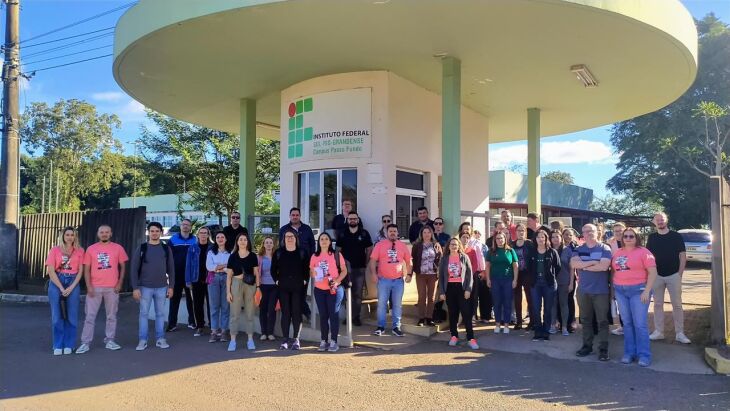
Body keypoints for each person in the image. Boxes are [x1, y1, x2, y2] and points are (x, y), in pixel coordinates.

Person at [76, 225, 129, 354]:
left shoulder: (118, 248)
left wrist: (119, 283)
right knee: (90, 316)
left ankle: (110, 340)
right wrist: (89, 286)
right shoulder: (91, 249)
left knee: (111, 316)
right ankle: (85, 343)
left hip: (112, 288)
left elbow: (123, 267)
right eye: (102, 232)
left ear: (111, 234)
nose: (104, 234)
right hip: (95, 287)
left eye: (107, 232)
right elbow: (86, 270)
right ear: (98, 234)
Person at [612, 227, 658, 367]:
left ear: (636, 237)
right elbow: (614, 271)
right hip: (620, 291)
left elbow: (653, 273)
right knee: (627, 323)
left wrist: (647, 291)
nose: (628, 238)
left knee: (640, 324)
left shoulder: (644, 252)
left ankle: (644, 355)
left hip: (638, 290)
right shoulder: (618, 252)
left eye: (631, 236)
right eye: (625, 236)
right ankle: (629, 353)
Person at [647, 212, 691, 344]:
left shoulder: (676, 236)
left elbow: (682, 256)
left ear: (666, 221)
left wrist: (679, 274)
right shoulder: (651, 238)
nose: (660, 222)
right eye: (657, 220)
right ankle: (659, 332)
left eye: (662, 219)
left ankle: (680, 333)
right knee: (658, 305)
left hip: (674, 275)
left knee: (677, 305)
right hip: (657, 276)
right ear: (654, 222)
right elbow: (648, 257)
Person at [131, 222, 175, 351]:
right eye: (152, 231)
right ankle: (142, 340)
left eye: (157, 231)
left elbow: (171, 269)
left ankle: (160, 339)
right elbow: (134, 269)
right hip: (145, 287)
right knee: (143, 314)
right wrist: (135, 288)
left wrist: (171, 286)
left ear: (161, 232)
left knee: (160, 314)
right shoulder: (142, 248)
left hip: (162, 287)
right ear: (148, 232)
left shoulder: (166, 248)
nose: (154, 233)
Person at [572, 223, 613, 361]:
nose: (589, 233)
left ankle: (603, 349)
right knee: (585, 320)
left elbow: (604, 266)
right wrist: (593, 262)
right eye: (586, 231)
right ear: (582, 234)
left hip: (600, 291)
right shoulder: (579, 248)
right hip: (583, 291)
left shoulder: (605, 248)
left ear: (597, 232)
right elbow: (574, 264)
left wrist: (584, 265)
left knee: (602, 321)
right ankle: (587, 346)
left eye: (591, 231)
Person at [45, 226, 85, 355]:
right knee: (57, 316)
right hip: (57, 281)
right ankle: (57, 344)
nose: (70, 237)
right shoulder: (54, 250)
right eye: (67, 234)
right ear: (63, 236)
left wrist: (71, 287)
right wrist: (62, 288)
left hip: (73, 281)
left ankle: (69, 344)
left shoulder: (79, 250)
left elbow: (80, 272)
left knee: (72, 316)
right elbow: (50, 270)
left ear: (75, 237)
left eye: (72, 235)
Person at [369, 224, 412, 337]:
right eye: (390, 231)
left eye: (395, 231)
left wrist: (409, 274)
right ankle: (380, 327)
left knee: (397, 305)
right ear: (387, 233)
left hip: (398, 281)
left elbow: (408, 261)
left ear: (398, 233)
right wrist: (373, 274)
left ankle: (396, 327)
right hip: (383, 280)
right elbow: (373, 261)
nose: (392, 233)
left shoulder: (402, 246)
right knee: (382, 304)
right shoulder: (379, 245)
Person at [271, 229, 310, 350]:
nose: (289, 238)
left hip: (298, 287)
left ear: (296, 238)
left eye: (292, 236)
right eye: (287, 236)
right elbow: (273, 270)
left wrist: (304, 280)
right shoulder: (278, 253)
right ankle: (285, 339)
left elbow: (306, 269)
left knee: (296, 313)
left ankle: (296, 339)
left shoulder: (302, 252)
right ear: (283, 239)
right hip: (283, 287)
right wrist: (277, 280)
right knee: (286, 312)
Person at [310, 233, 348, 352]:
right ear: (318, 242)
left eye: (326, 239)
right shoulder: (314, 256)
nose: (324, 241)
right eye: (322, 239)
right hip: (319, 290)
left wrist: (337, 281)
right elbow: (312, 273)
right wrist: (315, 274)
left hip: (334, 289)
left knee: (333, 315)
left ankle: (334, 341)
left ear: (330, 242)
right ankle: (324, 340)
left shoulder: (336, 255)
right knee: (323, 316)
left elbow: (344, 271)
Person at [439, 238, 479, 349]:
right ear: (448, 246)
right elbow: (441, 276)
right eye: (452, 244)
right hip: (450, 288)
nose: (454, 246)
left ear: (459, 246)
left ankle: (471, 338)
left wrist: (468, 289)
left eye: (456, 245)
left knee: (466, 313)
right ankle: (454, 336)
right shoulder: (444, 259)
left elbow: (470, 275)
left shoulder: (464, 257)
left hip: (462, 288)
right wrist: (442, 291)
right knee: (453, 313)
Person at [336, 211, 373, 326]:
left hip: (360, 268)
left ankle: (356, 317)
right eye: (350, 218)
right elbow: (337, 251)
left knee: (357, 294)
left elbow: (370, 248)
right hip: (345, 269)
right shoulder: (342, 233)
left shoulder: (364, 233)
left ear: (358, 220)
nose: (352, 220)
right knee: (347, 293)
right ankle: (348, 316)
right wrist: (338, 265)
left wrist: (366, 262)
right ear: (347, 220)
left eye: (354, 218)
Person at [279, 207, 315, 320]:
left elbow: (313, 247)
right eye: (293, 215)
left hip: (305, 266)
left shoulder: (307, 229)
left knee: (302, 291)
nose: (295, 217)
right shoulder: (284, 229)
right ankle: (301, 313)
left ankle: (302, 313)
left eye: (297, 215)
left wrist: (312, 263)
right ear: (290, 216)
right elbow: (281, 247)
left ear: (300, 216)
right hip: (289, 266)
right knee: (291, 291)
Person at [226, 233, 260, 351]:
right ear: (237, 242)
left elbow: (256, 273)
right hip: (235, 284)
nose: (243, 241)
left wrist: (258, 288)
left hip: (250, 285)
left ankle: (250, 340)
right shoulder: (233, 256)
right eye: (240, 239)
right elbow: (229, 276)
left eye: (245, 239)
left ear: (247, 242)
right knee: (234, 314)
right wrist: (228, 292)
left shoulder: (252, 256)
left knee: (250, 313)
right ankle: (233, 341)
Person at [526, 230, 561, 341]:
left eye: (543, 237)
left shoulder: (552, 252)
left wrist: (551, 276)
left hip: (549, 284)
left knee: (548, 309)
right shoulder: (531, 252)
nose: (540, 239)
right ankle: (538, 331)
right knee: (536, 309)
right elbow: (528, 267)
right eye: (538, 237)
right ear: (535, 239)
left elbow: (558, 267)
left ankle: (546, 332)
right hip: (535, 284)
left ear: (546, 239)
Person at [485, 232, 519, 334]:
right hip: (495, 280)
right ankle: (497, 324)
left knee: (507, 302)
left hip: (508, 280)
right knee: (497, 302)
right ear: (495, 240)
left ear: (505, 239)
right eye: (498, 238)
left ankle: (506, 325)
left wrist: (515, 280)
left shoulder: (510, 251)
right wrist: (488, 279)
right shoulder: (491, 251)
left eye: (502, 238)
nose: (500, 240)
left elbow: (515, 266)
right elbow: (487, 266)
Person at [167, 218, 197, 332]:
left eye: (187, 225)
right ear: (180, 226)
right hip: (176, 275)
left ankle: (192, 322)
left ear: (190, 227)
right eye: (183, 224)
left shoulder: (195, 240)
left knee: (191, 300)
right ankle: (172, 324)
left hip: (190, 275)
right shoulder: (173, 240)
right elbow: (168, 257)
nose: (185, 226)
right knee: (174, 300)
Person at [411, 226, 442, 326]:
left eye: (429, 232)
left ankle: (429, 318)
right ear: (421, 234)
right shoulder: (417, 245)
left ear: (431, 234)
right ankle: (421, 318)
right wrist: (411, 272)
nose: (427, 234)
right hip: (421, 274)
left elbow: (440, 259)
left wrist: (439, 271)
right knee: (421, 296)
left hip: (433, 275)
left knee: (431, 297)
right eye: (425, 232)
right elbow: (413, 259)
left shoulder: (436, 245)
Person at [185, 226, 212, 337]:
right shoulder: (192, 248)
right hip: (196, 279)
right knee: (197, 304)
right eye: (201, 233)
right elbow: (188, 265)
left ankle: (213, 327)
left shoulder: (213, 247)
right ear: (198, 235)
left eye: (205, 233)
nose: (203, 235)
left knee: (212, 305)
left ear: (208, 235)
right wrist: (188, 280)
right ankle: (200, 326)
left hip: (210, 280)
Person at [206, 232, 231, 343]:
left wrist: (218, 267)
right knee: (214, 307)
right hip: (213, 279)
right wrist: (224, 266)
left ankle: (224, 332)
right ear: (215, 239)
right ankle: (214, 332)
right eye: (218, 237)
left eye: (222, 237)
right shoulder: (211, 252)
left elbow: (231, 266)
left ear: (226, 239)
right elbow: (209, 267)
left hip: (227, 279)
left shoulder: (230, 252)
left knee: (225, 306)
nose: (220, 239)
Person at [550, 230, 574, 336]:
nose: (555, 239)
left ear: (561, 237)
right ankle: (553, 325)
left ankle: (564, 327)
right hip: (551, 281)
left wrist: (571, 283)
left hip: (564, 281)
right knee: (553, 304)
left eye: (557, 236)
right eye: (553, 237)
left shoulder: (567, 250)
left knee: (564, 304)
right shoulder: (548, 250)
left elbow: (572, 268)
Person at [511, 223, 534, 330]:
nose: (521, 232)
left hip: (528, 273)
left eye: (522, 231)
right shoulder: (512, 244)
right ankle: (519, 321)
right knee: (517, 298)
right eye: (519, 230)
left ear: (525, 232)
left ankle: (532, 321)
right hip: (516, 274)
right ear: (515, 232)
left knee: (530, 297)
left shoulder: (529, 243)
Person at [257, 236, 278, 341]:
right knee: (263, 310)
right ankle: (263, 332)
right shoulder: (259, 258)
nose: (269, 244)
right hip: (263, 286)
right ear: (263, 244)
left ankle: (270, 332)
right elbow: (256, 273)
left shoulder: (277, 256)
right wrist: (257, 286)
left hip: (274, 286)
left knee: (272, 309)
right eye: (267, 242)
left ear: (273, 245)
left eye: (270, 242)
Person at [608, 222, 626, 336]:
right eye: (616, 231)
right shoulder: (611, 244)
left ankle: (629, 327)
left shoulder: (631, 240)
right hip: (616, 277)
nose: (618, 233)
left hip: (631, 278)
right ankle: (622, 327)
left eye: (620, 230)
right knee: (620, 304)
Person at [562, 228, 579, 332]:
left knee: (569, 299)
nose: (568, 236)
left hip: (571, 277)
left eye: (570, 235)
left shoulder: (575, 248)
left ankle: (572, 321)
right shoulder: (559, 246)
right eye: (566, 234)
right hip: (560, 278)